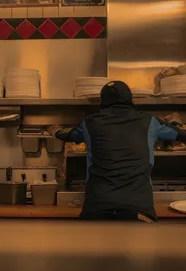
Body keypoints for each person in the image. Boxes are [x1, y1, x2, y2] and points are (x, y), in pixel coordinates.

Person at [49, 81, 186, 222]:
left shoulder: (90, 123)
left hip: (97, 209)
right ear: (130, 99)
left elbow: (67, 136)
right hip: (138, 210)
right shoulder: (150, 121)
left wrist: (55, 130)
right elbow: (181, 135)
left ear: (103, 101)